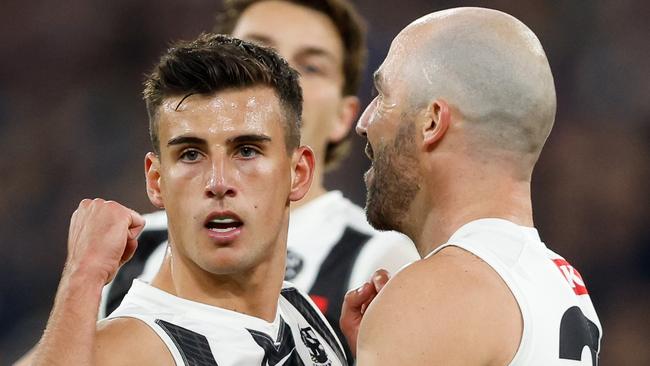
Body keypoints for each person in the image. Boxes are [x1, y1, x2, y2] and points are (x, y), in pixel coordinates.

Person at [101, 0, 418, 360]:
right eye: (261, 51)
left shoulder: (373, 254)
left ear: (344, 116)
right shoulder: (131, 249)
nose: (286, 72)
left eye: (311, 65)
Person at [28, 34, 349, 365]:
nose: (218, 182)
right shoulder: (133, 350)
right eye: (191, 154)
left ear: (299, 172)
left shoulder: (303, 318)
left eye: (247, 150)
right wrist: (81, 277)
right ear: (156, 180)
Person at [340, 7, 603, 365]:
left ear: (432, 122)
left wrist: (402, 331)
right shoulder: (562, 284)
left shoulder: (436, 296)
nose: (365, 121)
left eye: (383, 96)